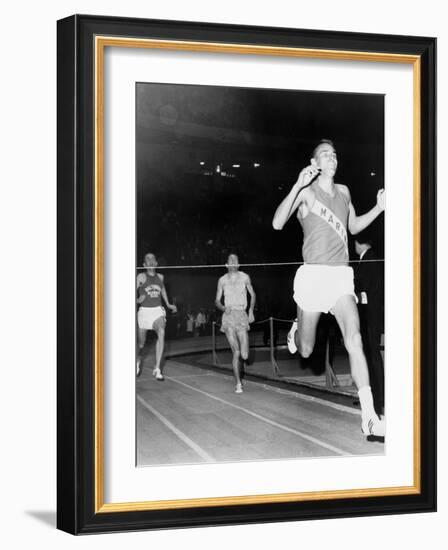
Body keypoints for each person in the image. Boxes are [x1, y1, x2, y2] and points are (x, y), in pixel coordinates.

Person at [272, 139, 385, 437]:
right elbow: (277, 223)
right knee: (306, 350)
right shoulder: (307, 193)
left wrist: (379, 207)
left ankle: (370, 416)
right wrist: (297, 185)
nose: (332, 158)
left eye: (334, 154)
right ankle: (298, 327)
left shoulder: (345, 192)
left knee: (355, 339)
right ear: (315, 163)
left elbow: (354, 227)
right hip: (313, 277)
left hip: (340, 277)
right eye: (325, 155)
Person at [215, 254, 256, 393]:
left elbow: (253, 294)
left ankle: (241, 369)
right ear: (226, 264)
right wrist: (222, 307)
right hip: (228, 316)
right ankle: (238, 383)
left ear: (238, 264)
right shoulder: (222, 280)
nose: (233, 262)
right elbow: (217, 301)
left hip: (242, 315)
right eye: (230, 260)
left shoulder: (245, 277)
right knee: (236, 351)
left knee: (244, 355)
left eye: (235, 260)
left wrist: (250, 311)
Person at [354, 238, 385, 416]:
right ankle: (374, 396)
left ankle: (378, 398)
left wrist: (354, 298)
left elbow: (371, 291)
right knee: (368, 355)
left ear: (361, 243)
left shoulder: (370, 260)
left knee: (372, 356)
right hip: (367, 315)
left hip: (370, 316)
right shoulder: (367, 259)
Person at [136, 253, 177, 380]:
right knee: (141, 344)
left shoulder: (161, 276)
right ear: (144, 264)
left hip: (157, 310)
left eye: (153, 258)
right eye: (147, 259)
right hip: (144, 312)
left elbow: (163, 290)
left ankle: (157, 368)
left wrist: (169, 304)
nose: (151, 260)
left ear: (156, 263)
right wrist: (137, 299)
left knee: (161, 331)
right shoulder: (141, 276)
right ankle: (137, 360)